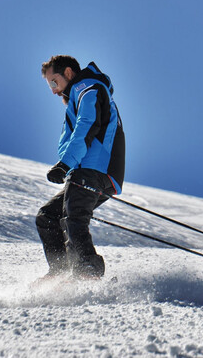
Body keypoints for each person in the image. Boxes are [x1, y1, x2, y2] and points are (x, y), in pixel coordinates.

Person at [35, 55, 125, 280]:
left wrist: (65, 164)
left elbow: (87, 125)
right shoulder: (79, 93)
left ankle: (88, 270)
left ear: (68, 73)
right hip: (85, 171)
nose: (54, 91)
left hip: (96, 170)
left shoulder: (89, 88)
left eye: (54, 83)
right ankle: (61, 272)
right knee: (47, 216)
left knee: (73, 214)